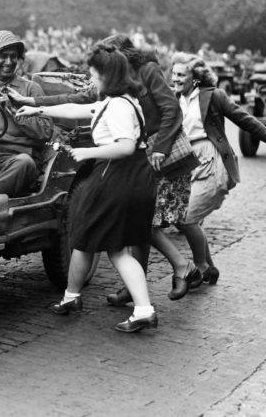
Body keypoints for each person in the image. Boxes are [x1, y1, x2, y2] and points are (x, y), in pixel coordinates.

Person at [9, 35, 200, 303]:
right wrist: (35, 104)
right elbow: (81, 100)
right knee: (139, 223)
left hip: (159, 153)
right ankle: (141, 286)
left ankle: (180, 269)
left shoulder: (144, 73)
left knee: (144, 222)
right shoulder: (113, 84)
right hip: (140, 154)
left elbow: (172, 111)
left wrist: (159, 148)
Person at [16, 43, 158, 332]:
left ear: (107, 74)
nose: (91, 78)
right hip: (127, 176)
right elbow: (77, 108)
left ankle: (144, 310)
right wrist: (35, 106)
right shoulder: (119, 100)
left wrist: (88, 153)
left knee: (114, 248)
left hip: (119, 176)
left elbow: (125, 147)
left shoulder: (117, 106)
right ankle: (72, 296)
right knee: (84, 236)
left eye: (94, 73)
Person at [171, 53, 266, 282]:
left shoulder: (214, 96)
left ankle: (200, 267)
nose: (176, 79)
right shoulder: (173, 98)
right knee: (191, 219)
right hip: (186, 163)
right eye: (173, 74)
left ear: (195, 78)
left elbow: (244, 119)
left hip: (212, 161)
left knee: (187, 218)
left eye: (181, 74)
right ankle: (209, 268)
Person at [0, 30, 55, 197]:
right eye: (3, 56)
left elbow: (46, 131)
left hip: (19, 160)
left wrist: (15, 111)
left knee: (24, 163)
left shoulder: (30, 89)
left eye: (13, 56)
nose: (9, 62)